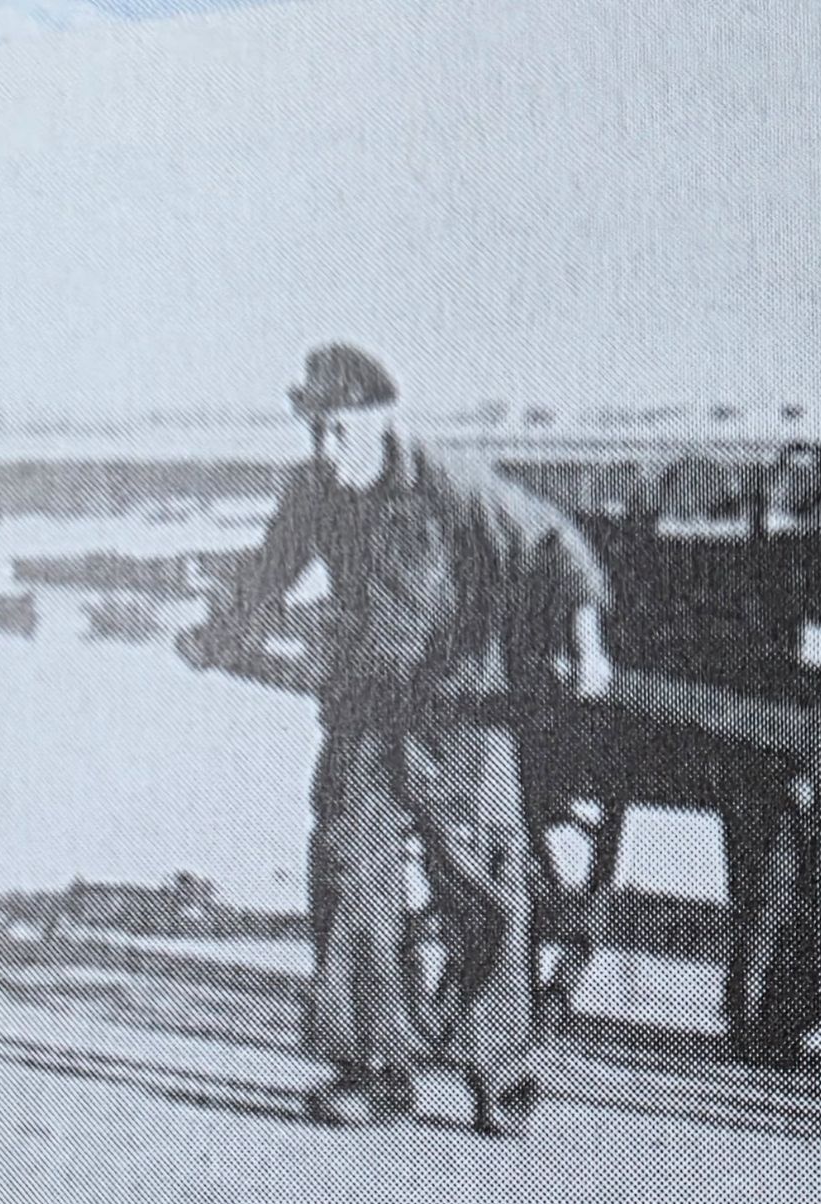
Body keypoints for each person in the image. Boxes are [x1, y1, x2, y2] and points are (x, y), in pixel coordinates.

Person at [180, 343, 611, 1138]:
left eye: (337, 430)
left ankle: (501, 1070)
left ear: (381, 420)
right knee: (351, 878)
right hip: (365, 715)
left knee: (480, 884)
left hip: (461, 718)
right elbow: (268, 575)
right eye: (314, 431)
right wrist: (217, 633)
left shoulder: (447, 480)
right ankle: (375, 1067)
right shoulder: (314, 491)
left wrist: (588, 644)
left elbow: (553, 545)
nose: (323, 448)